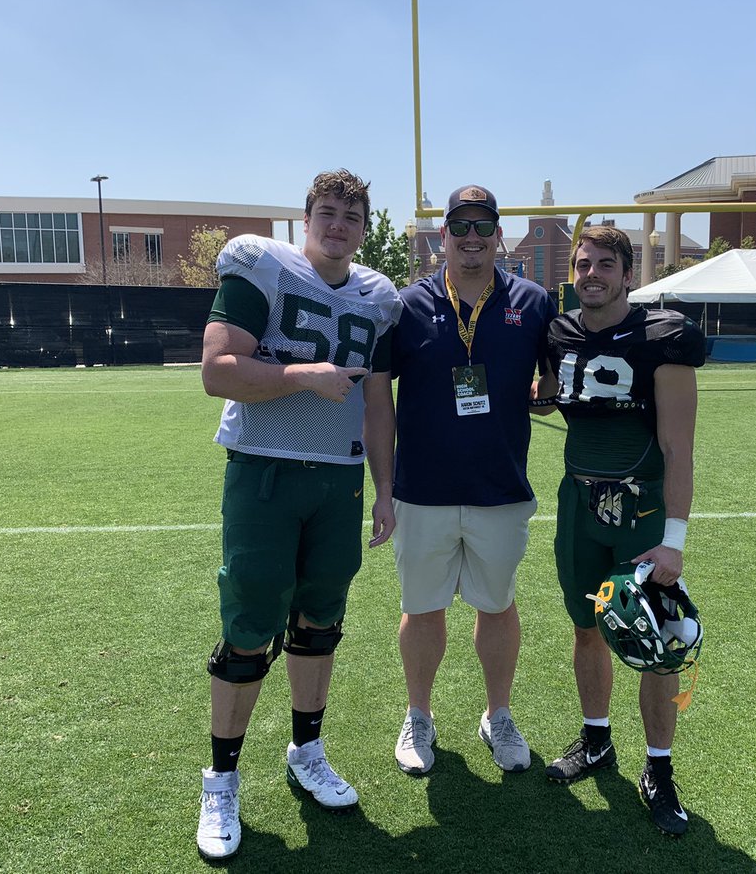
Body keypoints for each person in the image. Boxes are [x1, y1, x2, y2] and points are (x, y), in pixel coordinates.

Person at [195, 170, 401, 861]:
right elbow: (219, 370)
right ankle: (221, 778)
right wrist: (297, 377)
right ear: (305, 218)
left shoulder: (377, 296)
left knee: (321, 621)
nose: (338, 224)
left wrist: (385, 489)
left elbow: (376, 405)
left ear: (365, 228)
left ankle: (306, 750)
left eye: (351, 215)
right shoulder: (263, 267)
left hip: (339, 482)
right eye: (327, 211)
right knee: (250, 625)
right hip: (265, 471)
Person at [539, 225, 705, 836]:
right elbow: (557, 391)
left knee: (656, 646)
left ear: (628, 274)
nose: (591, 274)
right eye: (582, 264)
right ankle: (597, 740)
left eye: (604, 264)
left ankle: (659, 769)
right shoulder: (558, 332)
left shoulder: (662, 335)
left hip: (641, 511)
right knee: (589, 628)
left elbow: (678, 447)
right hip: (579, 506)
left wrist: (675, 539)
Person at [390, 185, 557, 776]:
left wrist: (548, 388)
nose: (471, 238)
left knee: (497, 605)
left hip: (500, 485)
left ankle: (499, 714)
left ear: (498, 236)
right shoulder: (407, 305)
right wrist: (382, 484)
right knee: (423, 607)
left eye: (483, 227)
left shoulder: (534, 302)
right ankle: (418, 714)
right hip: (423, 486)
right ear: (444, 237)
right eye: (460, 226)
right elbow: (377, 396)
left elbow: (556, 372)